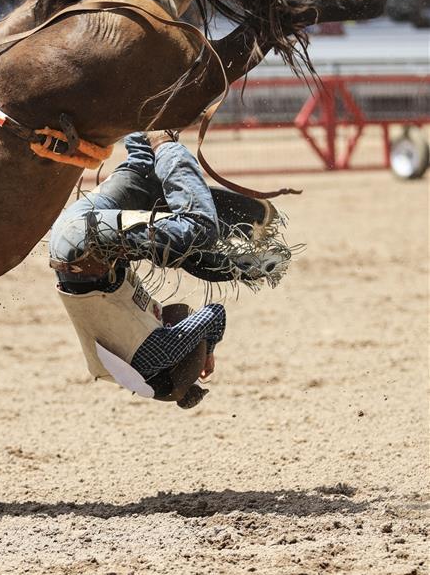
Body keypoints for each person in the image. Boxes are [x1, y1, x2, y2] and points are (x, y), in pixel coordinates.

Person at [50, 130, 291, 409]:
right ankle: (148, 116)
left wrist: (208, 348)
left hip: (86, 241)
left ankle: (163, 141)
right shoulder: (123, 369)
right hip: (74, 236)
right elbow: (173, 312)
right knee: (146, 174)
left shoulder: (158, 357)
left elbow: (214, 314)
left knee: (198, 231)